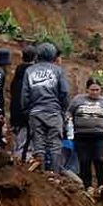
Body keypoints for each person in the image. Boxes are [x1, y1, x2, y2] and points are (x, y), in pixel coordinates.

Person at [20, 42, 70, 173]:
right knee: (55, 144)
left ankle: (41, 175)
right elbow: (64, 92)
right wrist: (63, 109)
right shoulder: (58, 71)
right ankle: (55, 174)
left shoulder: (29, 71)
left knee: (39, 143)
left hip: (35, 112)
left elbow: (25, 94)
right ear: (53, 55)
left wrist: (26, 110)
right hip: (54, 111)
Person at [68, 78, 103, 190]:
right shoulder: (78, 99)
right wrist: (68, 122)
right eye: (92, 90)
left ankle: (101, 185)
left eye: (97, 90)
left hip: (99, 135)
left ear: (100, 90)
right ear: (87, 89)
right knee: (84, 160)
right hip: (81, 135)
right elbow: (69, 112)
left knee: (99, 159)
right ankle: (88, 186)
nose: (95, 92)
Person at [8, 45, 34, 161]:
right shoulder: (33, 74)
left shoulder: (17, 73)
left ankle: (16, 162)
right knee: (25, 146)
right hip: (26, 115)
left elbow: (12, 91)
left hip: (14, 113)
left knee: (17, 141)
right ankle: (22, 164)